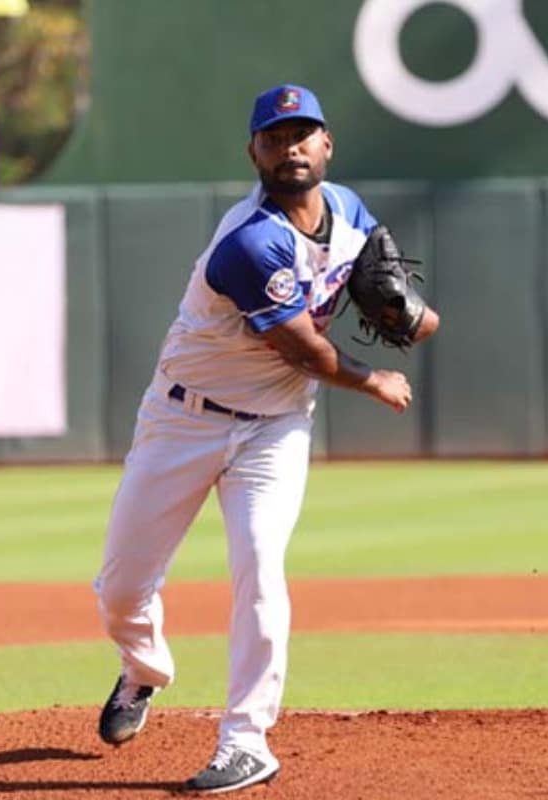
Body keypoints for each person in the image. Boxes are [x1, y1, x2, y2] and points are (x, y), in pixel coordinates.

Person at [93, 83, 440, 794]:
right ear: (254, 150)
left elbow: (399, 300)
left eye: (303, 133)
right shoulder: (250, 242)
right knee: (122, 590)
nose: (291, 148)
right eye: (276, 137)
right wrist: (374, 379)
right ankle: (145, 670)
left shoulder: (348, 212)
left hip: (274, 431)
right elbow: (307, 352)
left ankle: (246, 740)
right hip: (182, 420)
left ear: (327, 144)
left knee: (258, 567)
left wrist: (418, 315)